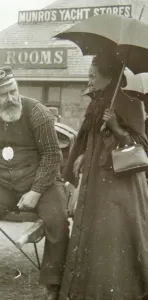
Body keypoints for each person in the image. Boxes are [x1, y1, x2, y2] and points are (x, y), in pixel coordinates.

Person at [0, 66, 69, 300]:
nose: (11, 98)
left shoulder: (37, 112)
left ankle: (53, 285)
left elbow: (52, 156)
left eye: (13, 91)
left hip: (43, 182)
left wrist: (36, 191)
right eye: (3, 94)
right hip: (2, 184)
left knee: (58, 220)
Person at [60, 54, 148, 300]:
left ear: (109, 76)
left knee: (115, 232)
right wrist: (82, 156)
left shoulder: (130, 103)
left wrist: (118, 128)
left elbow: (142, 146)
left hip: (122, 183)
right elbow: (88, 138)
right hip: (96, 178)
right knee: (96, 234)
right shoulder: (98, 102)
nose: (89, 79)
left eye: (92, 75)